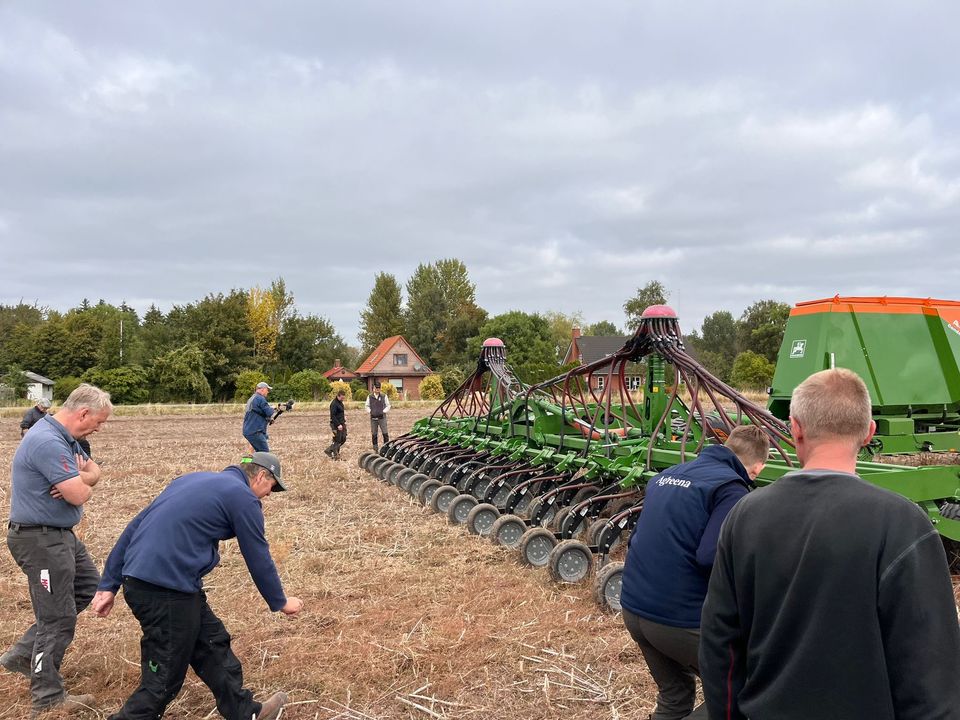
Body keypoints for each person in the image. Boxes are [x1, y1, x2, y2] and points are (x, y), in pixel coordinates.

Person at [700, 369, 960, 719]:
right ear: (869, 432)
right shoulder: (901, 523)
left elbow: (720, 645)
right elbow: (930, 672)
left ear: (795, 429)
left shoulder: (745, 515)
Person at [91, 451, 303, 720]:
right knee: (164, 678)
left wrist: (110, 583)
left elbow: (134, 527)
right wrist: (280, 601)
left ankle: (244, 712)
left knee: (211, 644)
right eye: (272, 487)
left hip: (162, 584)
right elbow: (258, 555)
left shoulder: (190, 480)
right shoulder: (243, 498)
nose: (269, 494)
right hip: (164, 590)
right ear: (261, 475)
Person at [619, 425, 769, 720]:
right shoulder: (729, 489)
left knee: (674, 698)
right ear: (758, 468)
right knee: (748, 689)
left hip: (634, 609)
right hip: (678, 620)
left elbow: (638, 537)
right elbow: (711, 556)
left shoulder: (665, 477)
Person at [1, 383, 112, 714]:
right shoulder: (49, 442)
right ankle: (47, 697)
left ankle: (23, 655)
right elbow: (79, 494)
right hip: (41, 540)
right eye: (99, 422)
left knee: (88, 588)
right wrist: (82, 483)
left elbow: (93, 473)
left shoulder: (65, 439)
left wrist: (84, 478)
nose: (98, 428)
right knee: (56, 618)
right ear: (83, 413)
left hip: (60, 535)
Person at [242, 381, 273, 452]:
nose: (268, 392)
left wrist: (268, 419)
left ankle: (249, 462)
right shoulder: (260, 398)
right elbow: (269, 412)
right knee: (264, 453)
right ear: (262, 389)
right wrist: (274, 408)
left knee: (256, 452)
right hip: (255, 431)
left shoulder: (252, 398)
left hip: (249, 430)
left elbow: (258, 412)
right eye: (267, 390)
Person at [364, 381, 390, 451]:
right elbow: (366, 406)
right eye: (376, 388)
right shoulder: (369, 397)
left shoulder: (384, 396)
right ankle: (375, 449)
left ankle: (386, 448)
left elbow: (388, 406)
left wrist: (383, 411)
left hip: (382, 418)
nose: (377, 389)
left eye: (379, 388)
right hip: (373, 418)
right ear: (373, 388)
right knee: (374, 434)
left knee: (385, 433)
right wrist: (371, 412)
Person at [325, 389, 347, 460]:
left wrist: (343, 418)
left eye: (344, 398)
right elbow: (333, 416)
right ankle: (336, 455)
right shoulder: (334, 404)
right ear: (338, 396)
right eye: (342, 398)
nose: (343, 399)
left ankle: (329, 450)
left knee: (343, 438)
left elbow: (340, 413)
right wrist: (338, 425)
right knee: (337, 439)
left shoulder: (340, 402)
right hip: (336, 424)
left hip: (342, 423)